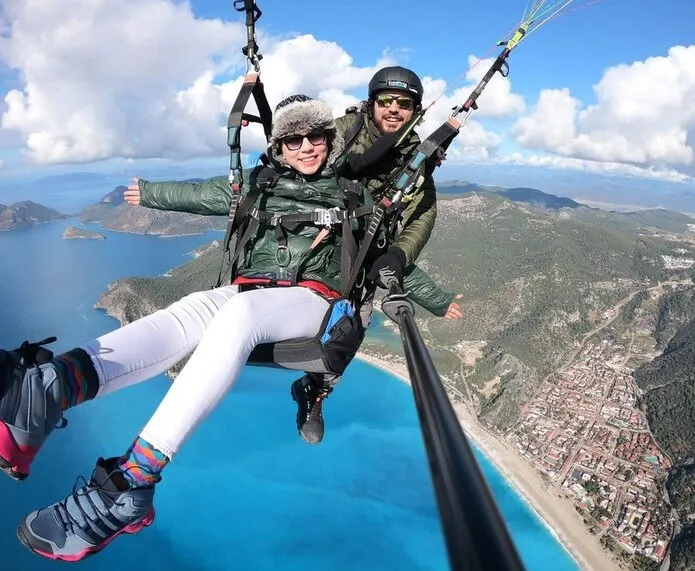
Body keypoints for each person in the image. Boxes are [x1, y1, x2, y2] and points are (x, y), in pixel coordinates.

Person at [0, 94, 410, 562]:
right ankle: (54, 387)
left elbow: (390, 249)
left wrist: (431, 298)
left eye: (316, 136)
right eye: (293, 139)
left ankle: (135, 478)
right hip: (250, 290)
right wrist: (153, 192)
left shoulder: (353, 191)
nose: (307, 147)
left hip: (313, 301)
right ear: (278, 147)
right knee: (193, 305)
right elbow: (203, 194)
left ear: (329, 138)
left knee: (239, 315)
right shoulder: (260, 186)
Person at [291, 66, 451, 444]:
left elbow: (421, 215)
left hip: (360, 259)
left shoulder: (417, 160)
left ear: (415, 110)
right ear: (372, 102)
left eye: (404, 103)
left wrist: (400, 258)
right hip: (310, 243)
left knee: (349, 334)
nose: (394, 109)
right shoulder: (342, 131)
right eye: (386, 101)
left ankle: (313, 393)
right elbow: (300, 154)